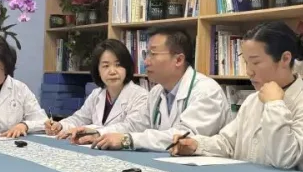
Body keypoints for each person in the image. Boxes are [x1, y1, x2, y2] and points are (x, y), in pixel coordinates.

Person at [170, 22, 303, 171]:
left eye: (256, 62)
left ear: (285, 59)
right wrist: (196, 145)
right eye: (246, 62)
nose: (249, 71)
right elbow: (228, 143)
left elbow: (284, 158)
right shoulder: (253, 100)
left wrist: (274, 104)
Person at [92, 28, 230, 151]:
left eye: (153, 54)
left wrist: (127, 140)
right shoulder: (157, 91)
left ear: (178, 60)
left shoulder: (206, 91)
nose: (146, 62)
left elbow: (183, 137)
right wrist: (99, 134)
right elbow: (134, 125)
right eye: (146, 54)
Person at [45, 39, 149, 141]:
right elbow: (79, 118)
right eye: (106, 66)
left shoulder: (141, 96)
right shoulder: (96, 94)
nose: (112, 71)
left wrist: (97, 132)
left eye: (118, 65)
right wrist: (61, 125)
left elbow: (132, 127)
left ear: (126, 68)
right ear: (98, 70)